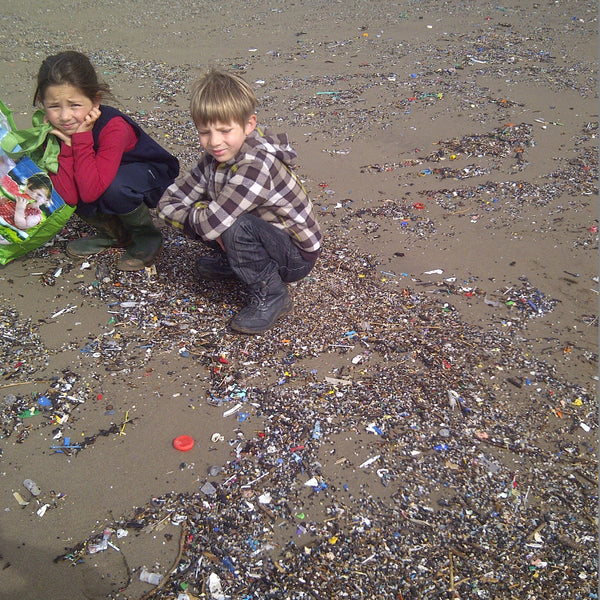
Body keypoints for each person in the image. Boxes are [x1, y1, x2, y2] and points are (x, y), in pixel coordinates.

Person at [158, 70, 322, 334]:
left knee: (233, 226)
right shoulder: (214, 159)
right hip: (264, 235)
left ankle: (273, 295)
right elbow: (168, 201)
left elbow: (211, 225)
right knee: (215, 216)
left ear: (249, 125)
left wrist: (201, 217)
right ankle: (238, 262)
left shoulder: (256, 165)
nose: (214, 142)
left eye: (225, 130)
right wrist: (200, 214)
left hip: (295, 254)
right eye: (204, 132)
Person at [34, 51, 179, 270]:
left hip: (146, 176)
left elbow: (91, 191)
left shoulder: (114, 126)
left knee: (112, 187)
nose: (65, 117)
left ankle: (146, 236)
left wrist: (81, 138)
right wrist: (66, 148)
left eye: (74, 105)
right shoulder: (55, 131)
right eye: (54, 106)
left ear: (95, 101)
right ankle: (115, 233)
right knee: (65, 178)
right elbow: (69, 195)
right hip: (98, 176)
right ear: (42, 103)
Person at [0, 172, 53, 244]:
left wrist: (20, 210)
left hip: (8, 230)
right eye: (31, 189)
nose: (33, 194)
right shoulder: (18, 198)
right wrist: (3, 199)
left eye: (39, 195)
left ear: (46, 200)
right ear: (26, 186)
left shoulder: (35, 215)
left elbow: (22, 226)